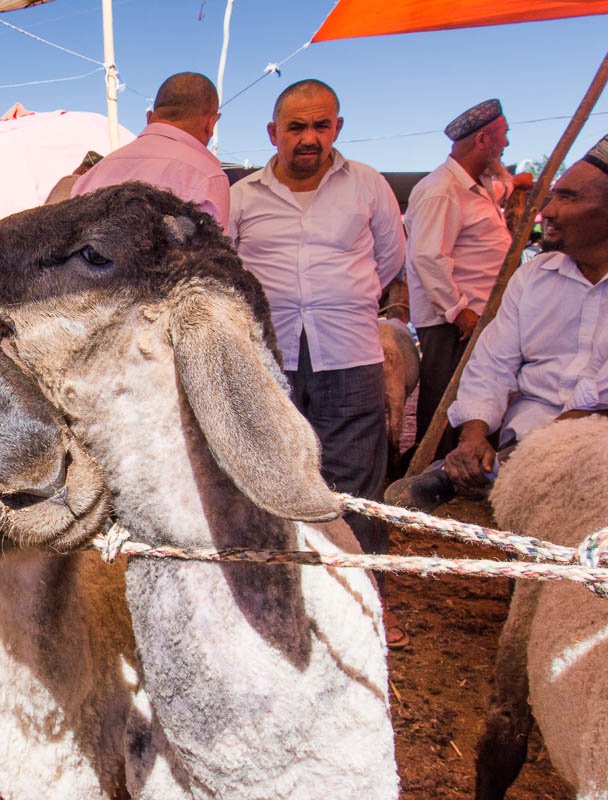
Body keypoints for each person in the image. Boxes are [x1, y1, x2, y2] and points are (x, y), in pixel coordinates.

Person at [228, 79, 406, 643]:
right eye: (296, 127)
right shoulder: (242, 197)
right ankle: (281, 605)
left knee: (353, 484)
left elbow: (391, 256)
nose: (309, 138)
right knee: (270, 473)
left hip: (349, 352)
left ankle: (360, 608)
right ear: (272, 134)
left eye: (320, 126)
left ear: (337, 129)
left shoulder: (369, 187)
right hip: (268, 357)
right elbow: (225, 268)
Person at [387, 133, 608, 510]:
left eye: (568, 198)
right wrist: (474, 434)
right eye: (553, 196)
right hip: (520, 443)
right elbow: (491, 364)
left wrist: (566, 429)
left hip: (593, 444)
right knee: (409, 494)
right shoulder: (534, 278)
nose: (548, 211)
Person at [404, 99, 513, 456]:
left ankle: (464, 471)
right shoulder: (442, 189)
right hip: (454, 321)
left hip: (477, 317)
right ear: (483, 139)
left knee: (475, 396)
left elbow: (506, 184)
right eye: (503, 136)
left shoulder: (475, 186)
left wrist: (517, 184)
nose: (507, 145)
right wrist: (457, 310)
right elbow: (428, 256)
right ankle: (434, 472)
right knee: (444, 403)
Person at [71, 72, 229, 224]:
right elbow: (215, 250)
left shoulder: (90, 176)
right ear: (211, 123)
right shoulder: (208, 177)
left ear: (149, 117)